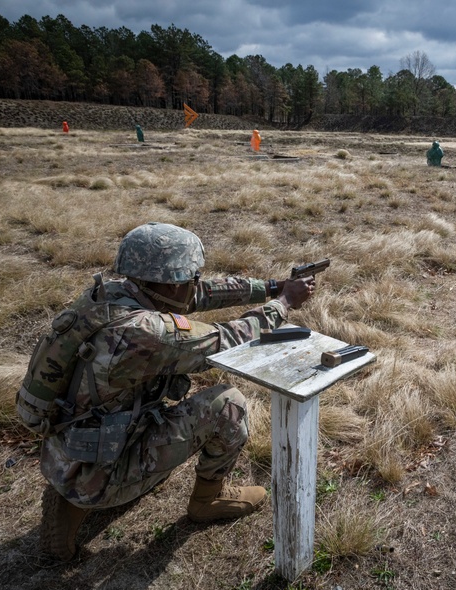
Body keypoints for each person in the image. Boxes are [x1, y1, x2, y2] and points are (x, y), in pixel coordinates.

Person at [29, 222, 315, 561]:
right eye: (191, 278)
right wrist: (283, 302)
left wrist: (271, 286)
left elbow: (203, 294)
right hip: (99, 470)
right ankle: (208, 500)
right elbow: (231, 340)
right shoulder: (147, 333)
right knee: (228, 404)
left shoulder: (108, 297)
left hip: (65, 448)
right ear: (172, 282)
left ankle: (72, 498)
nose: (196, 284)